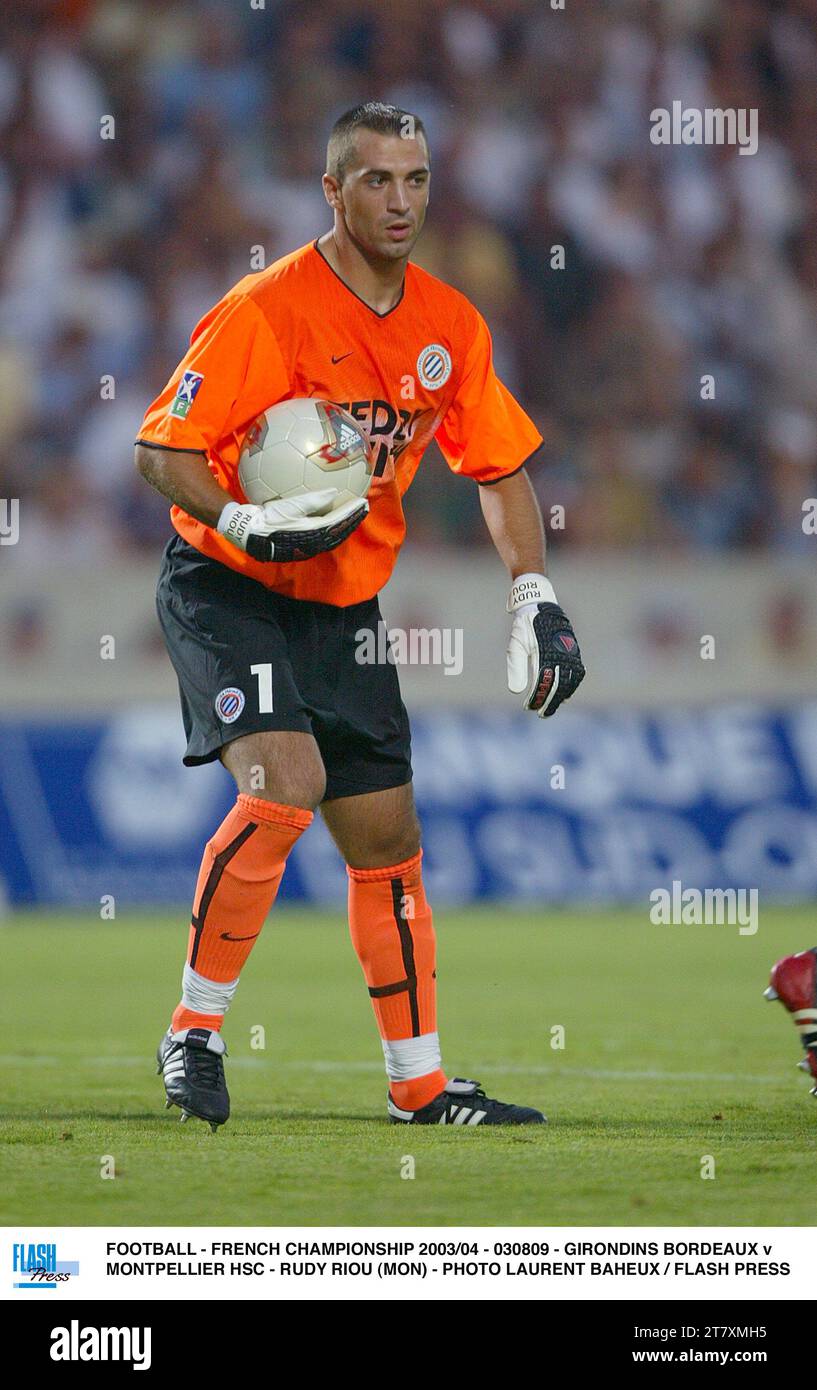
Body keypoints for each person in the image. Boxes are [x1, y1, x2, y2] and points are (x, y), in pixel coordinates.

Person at [135, 103, 585, 1130]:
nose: (400, 200)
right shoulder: (267, 308)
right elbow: (160, 450)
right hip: (228, 583)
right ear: (331, 191)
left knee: (387, 837)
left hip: (344, 602)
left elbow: (501, 467)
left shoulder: (449, 324)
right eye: (376, 180)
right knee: (286, 786)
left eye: (416, 179)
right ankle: (194, 1030)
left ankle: (419, 1085)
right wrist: (245, 519)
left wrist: (534, 591)